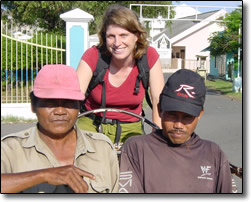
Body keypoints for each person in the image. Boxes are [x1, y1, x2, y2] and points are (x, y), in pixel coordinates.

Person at [1, 64, 119, 193]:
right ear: (33, 105)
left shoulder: (102, 148)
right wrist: (43, 175)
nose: (60, 111)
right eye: (50, 102)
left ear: (79, 105)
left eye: (68, 102)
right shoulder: (10, 149)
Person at [119, 69, 233, 193]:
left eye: (187, 117)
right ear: (159, 109)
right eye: (172, 115)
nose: (178, 125)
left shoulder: (213, 153)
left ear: (199, 115)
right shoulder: (136, 149)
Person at [76, 4, 164, 145]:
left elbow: (158, 100)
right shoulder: (93, 56)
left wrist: (158, 138)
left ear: (136, 36)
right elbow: (73, 96)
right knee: (86, 161)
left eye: (124, 35)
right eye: (111, 36)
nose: (117, 43)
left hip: (131, 126)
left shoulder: (149, 57)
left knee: (137, 162)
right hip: (92, 122)